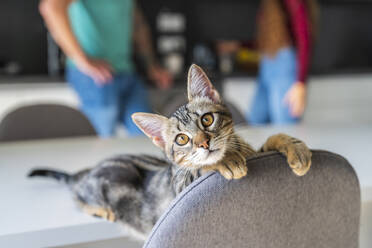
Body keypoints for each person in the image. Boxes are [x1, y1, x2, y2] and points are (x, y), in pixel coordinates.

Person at [39, 0, 172, 137]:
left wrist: (151, 66)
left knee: (148, 136)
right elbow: (51, 8)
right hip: (95, 77)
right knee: (102, 140)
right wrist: (82, 60)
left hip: (127, 71)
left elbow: (137, 25)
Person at [248, 0, 317, 124]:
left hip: (284, 64)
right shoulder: (270, 5)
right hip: (268, 61)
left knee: (285, 126)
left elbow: (304, 37)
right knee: (254, 123)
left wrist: (300, 83)